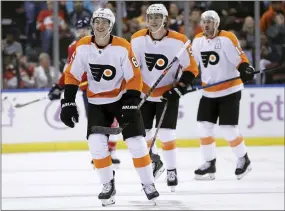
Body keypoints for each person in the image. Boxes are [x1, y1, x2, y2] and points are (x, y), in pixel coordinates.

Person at [60, 8, 159, 206]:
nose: (100, 25)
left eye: (104, 22)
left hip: (122, 100)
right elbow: (72, 75)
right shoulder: (82, 46)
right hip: (97, 103)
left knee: (137, 143)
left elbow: (134, 76)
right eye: (97, 21)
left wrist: (131, 103)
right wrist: (68, 101)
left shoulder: (123, 46)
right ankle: (107, 185)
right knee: (96, 145)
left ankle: (148, 183)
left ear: (111, 25)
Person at [130, 4, 198, 191]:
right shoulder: (137, 39)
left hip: (167, 94)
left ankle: (172, 170)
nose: (153, 20)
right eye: (150, 17)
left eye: (158, 17)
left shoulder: (180, 41)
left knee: (167, 134)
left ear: (165, 19)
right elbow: (132, 66)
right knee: (142, 135)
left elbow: (191, 69)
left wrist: (180, 88)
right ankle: (156, 160)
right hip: (144, 93)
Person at [48, 17, 121, 167]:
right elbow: (70, 70)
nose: (81, 31)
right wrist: (60, 85)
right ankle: (100, 154)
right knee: (95, 122)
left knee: (112, 120)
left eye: (84, 28)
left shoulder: (103, 42)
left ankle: (111, 152)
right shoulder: (74, 46)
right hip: (88, 90)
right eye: (78, 28)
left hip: (108, 87)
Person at [191, 10, 254, 180]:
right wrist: (184, 79)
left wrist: (245, 69)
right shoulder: (197, 41)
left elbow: (239, 58)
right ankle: (209, 164)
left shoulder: (227, 38)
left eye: (210, 21)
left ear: (217, 23)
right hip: (209, 92)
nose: (206, 24)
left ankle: (243, 159)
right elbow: (193, 65)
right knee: (203, 127)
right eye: (204, 21)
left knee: (228, 129)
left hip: (229, 90)